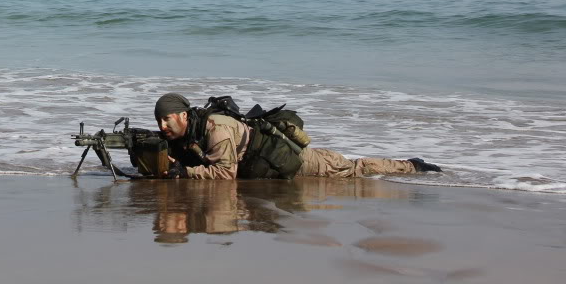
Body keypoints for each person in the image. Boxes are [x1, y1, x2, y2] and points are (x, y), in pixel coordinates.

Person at [153, 92, 442, 180]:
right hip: (264, 164)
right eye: (159, 120)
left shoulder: (216, 128)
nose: (163, 125)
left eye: (166, 119)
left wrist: (184, 172)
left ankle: (411, 166)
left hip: (292, 159)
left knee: (351, 170)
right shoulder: (188, 131)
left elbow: (225, 173)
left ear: (182, 116)